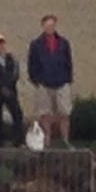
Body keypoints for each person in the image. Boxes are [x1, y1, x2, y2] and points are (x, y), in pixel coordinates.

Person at [26, 15, 74, 147]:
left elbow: (68, 62)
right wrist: (36, 80)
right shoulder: (36, 44)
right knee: (44, 114)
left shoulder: (63, 43)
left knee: (64, 113)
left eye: (52, 25)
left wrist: (68, 78)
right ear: (43, 26)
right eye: (47, 25)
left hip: (61, 82)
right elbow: (31, 64)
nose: (50, 28)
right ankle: (46, 141)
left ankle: (65, 141)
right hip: (43, 83)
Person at [0, 34, 25, 147]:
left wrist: (8, 87)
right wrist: (1, 88)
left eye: (2, 43)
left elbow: (15, 74)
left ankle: (18, 141)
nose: (0, 46)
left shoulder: (12, 59)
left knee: (17, 115)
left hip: (11, 92)